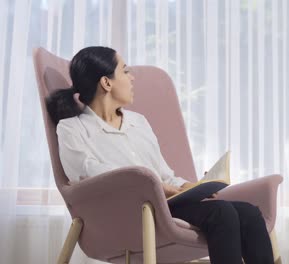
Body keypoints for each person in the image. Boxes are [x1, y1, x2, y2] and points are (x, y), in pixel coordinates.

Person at [46, 46, 274, 264]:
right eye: (125, 71)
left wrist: (191, 187)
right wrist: (155, 185)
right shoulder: (71, 128)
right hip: (127, 214)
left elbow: (164, 174)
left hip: (164, 205)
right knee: (222, 213)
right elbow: (83, 172)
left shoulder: (138, 122)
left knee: (249, 213)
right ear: (106, 82)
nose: (132, 78)